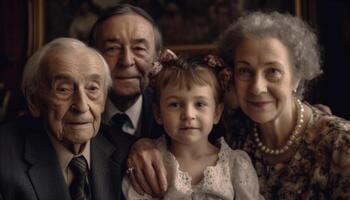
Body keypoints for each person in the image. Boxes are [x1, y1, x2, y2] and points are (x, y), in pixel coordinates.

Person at [217, 12, 350, 199]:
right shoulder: (232, 135)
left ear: (297, 76)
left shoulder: (341, 143)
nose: (257, 88)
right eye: (245, 71)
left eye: (273, 71)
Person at [0, 37, 134, 200]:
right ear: (33, 100)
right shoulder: (5, 158)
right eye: (64, 89)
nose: (82, 106)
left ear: (104, 98)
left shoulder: (129, 153)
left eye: (92, 88)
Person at [122, 56, 263, 199]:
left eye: (200, 104)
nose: (188, 115)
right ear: (158, 113)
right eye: (175, 104)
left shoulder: (235, 166)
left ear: (217, 112)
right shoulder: (150, 165)